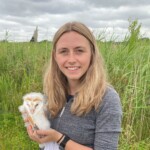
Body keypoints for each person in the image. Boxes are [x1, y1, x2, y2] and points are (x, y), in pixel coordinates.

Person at [27, 21, 122, 150]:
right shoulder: (52, 90)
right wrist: (38, 126)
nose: (71, 59)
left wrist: (58, 138)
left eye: (79, 50)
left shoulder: (106, 99)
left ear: (92, 54)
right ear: (55, 56)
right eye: (64, 51)